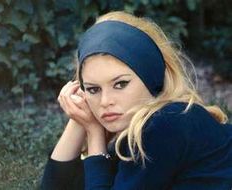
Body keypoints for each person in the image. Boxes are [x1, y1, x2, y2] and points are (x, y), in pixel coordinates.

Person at [40, 11, 232, 190]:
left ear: (151, 76)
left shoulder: (165, 123)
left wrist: (94, 134)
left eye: (120, 84)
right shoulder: (140, 125)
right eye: (93, 88)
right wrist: (79, 117)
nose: (105, 101)